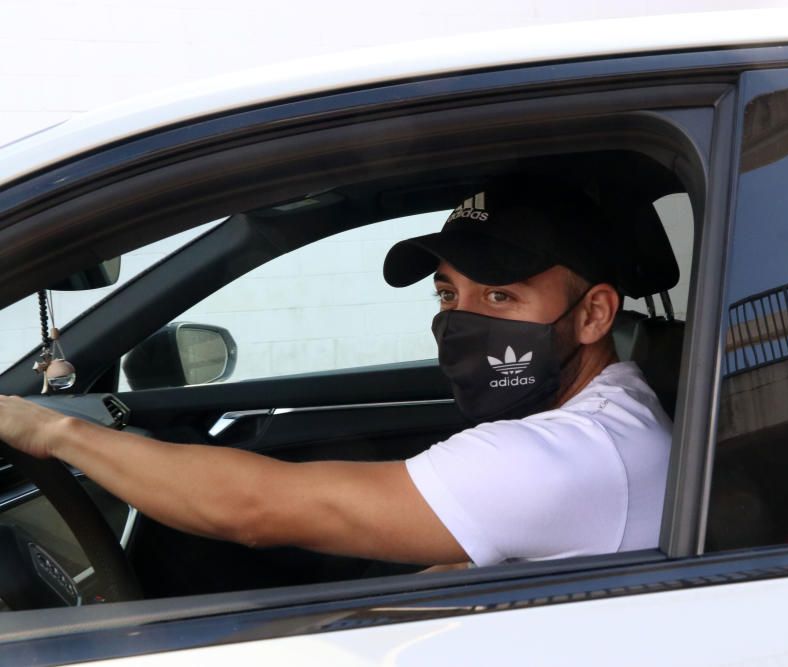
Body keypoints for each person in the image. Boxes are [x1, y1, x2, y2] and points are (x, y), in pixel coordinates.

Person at [0, 179, 672, 569]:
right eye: (447, 293)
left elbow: (255, 508)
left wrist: (50, 429)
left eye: (499, 296)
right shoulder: (616, 412)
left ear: (593, 315)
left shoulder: (564, 460)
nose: (460, 320)